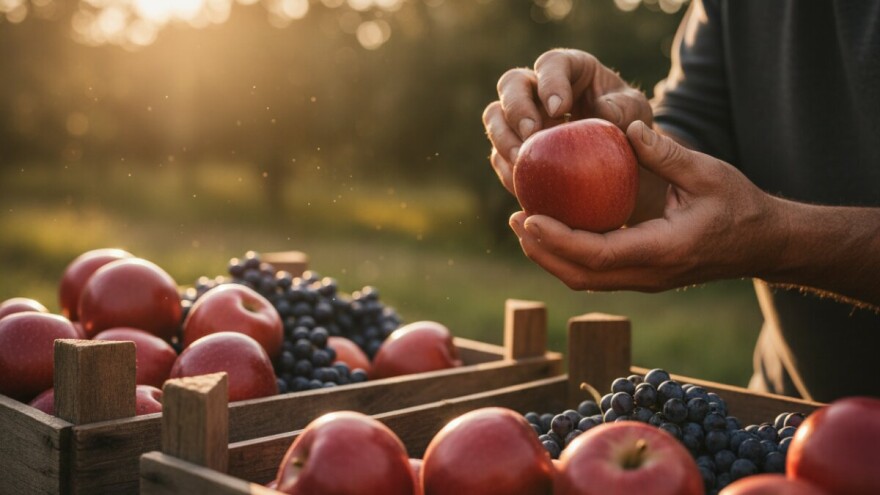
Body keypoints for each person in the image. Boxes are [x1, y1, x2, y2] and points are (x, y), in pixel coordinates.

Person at [482, 0, 880, 403]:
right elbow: (693, 127)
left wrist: (781, 240)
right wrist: (630, 144)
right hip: (791, 417)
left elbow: (767, 231)